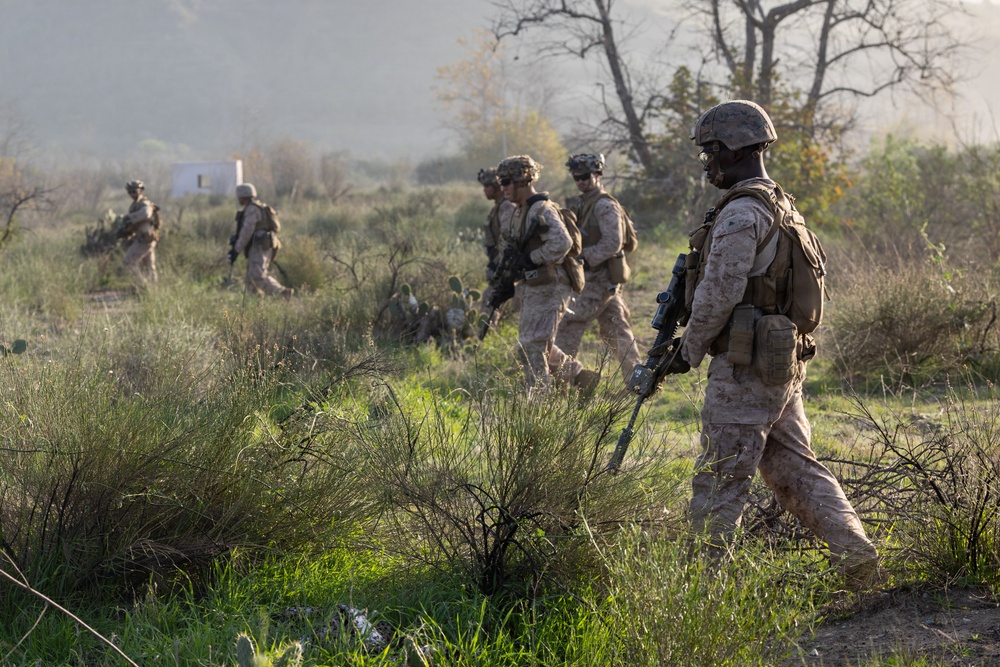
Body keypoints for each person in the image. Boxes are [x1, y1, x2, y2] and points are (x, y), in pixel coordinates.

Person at [679, 100, 882, 586]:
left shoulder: (741, 213)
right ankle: (858, 559)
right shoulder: (780, 203)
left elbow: (719, 291)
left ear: (734, 150)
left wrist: (687, 351)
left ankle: (697, 591)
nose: (707, 162)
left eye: (710, 151)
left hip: (747, 367)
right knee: (793, 467)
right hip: (777, 364)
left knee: (721, 477)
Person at [494, 155, 599, 396]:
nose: (503, 188)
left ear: (523, 180)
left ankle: (539, 402)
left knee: (533, 345)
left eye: (506, 182)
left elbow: (562, 242)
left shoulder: (542, 209)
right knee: (533, 342)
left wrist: (533, 258)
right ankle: (579, 376)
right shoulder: (520, 211)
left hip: (551, 285)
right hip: (535, 286)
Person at [555, 153, 641, 384]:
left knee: (569, 322)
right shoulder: (585, 203)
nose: (581, 182)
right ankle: (638, 379)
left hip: (599, 279)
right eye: (576, 178)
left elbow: (613, 243)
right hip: (599, 279)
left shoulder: (604, 205)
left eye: (585, 176)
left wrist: (583, 257)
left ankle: (563, 380)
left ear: (597, 174)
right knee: (616, 329)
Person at [230, 183, 293, 298]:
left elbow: (247, 231)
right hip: (262, 245)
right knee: (250, 278)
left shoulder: (252, 210)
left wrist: (236, 249)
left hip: (259, 245)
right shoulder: (258, 206)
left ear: (243, 196)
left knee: (257, 275)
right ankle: (256, 301)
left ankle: (282, 293)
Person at [478, 167, 515, 311]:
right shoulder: (498, 207)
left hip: (505, 265)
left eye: (487, 186)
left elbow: (508, 240)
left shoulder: (506, 207)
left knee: (489, 301)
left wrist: (499, 265)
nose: (484, 190)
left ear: (497, 186)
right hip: (500, 263)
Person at [119, 179, 159, 284]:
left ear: (140, 190)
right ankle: (154, 289)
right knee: (150, 267)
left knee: (128, 262)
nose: (132, 194)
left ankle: (143, 286)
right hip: (145, 239)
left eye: (134, 191)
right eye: (130, 192)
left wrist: (130, 218)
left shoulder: (144, 203)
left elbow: (146, 214)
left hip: (145, 239)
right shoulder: (135, 205)